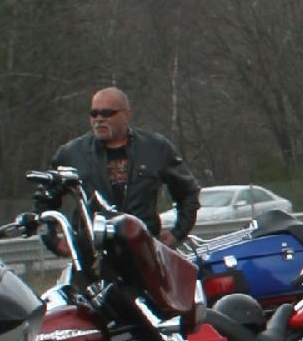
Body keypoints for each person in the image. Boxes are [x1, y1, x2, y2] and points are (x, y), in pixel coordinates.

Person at [54, 89, 201, 241]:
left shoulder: (155, 148)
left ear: (126, 114)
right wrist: (55, 241)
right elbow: (45, 198)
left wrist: (177, 234)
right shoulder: (73, 153)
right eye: (94, 113)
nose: (99, 119)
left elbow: (188, 193)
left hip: (143, 245)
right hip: (92, 248)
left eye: (107, 113)